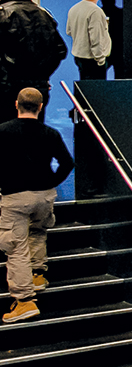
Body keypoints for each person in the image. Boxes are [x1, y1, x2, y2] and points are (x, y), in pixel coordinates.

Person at [0, 87, 74, 324]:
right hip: (44, 196)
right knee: (38, 233)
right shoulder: (50, 133)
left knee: (16, 248)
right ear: (41, 107)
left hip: (15, 196)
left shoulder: (3, 131)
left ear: (16, 104)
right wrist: (51, 182)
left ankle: (24, 301)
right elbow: (67, 163)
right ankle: (38, 275)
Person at [67, 0, 110, 80]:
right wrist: (100, 59)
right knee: (97, 88)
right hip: (93, 60)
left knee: (84, 86)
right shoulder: (95, 11)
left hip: (79, 57)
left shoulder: (74, 9)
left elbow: (69, 31)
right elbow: (96, 38)